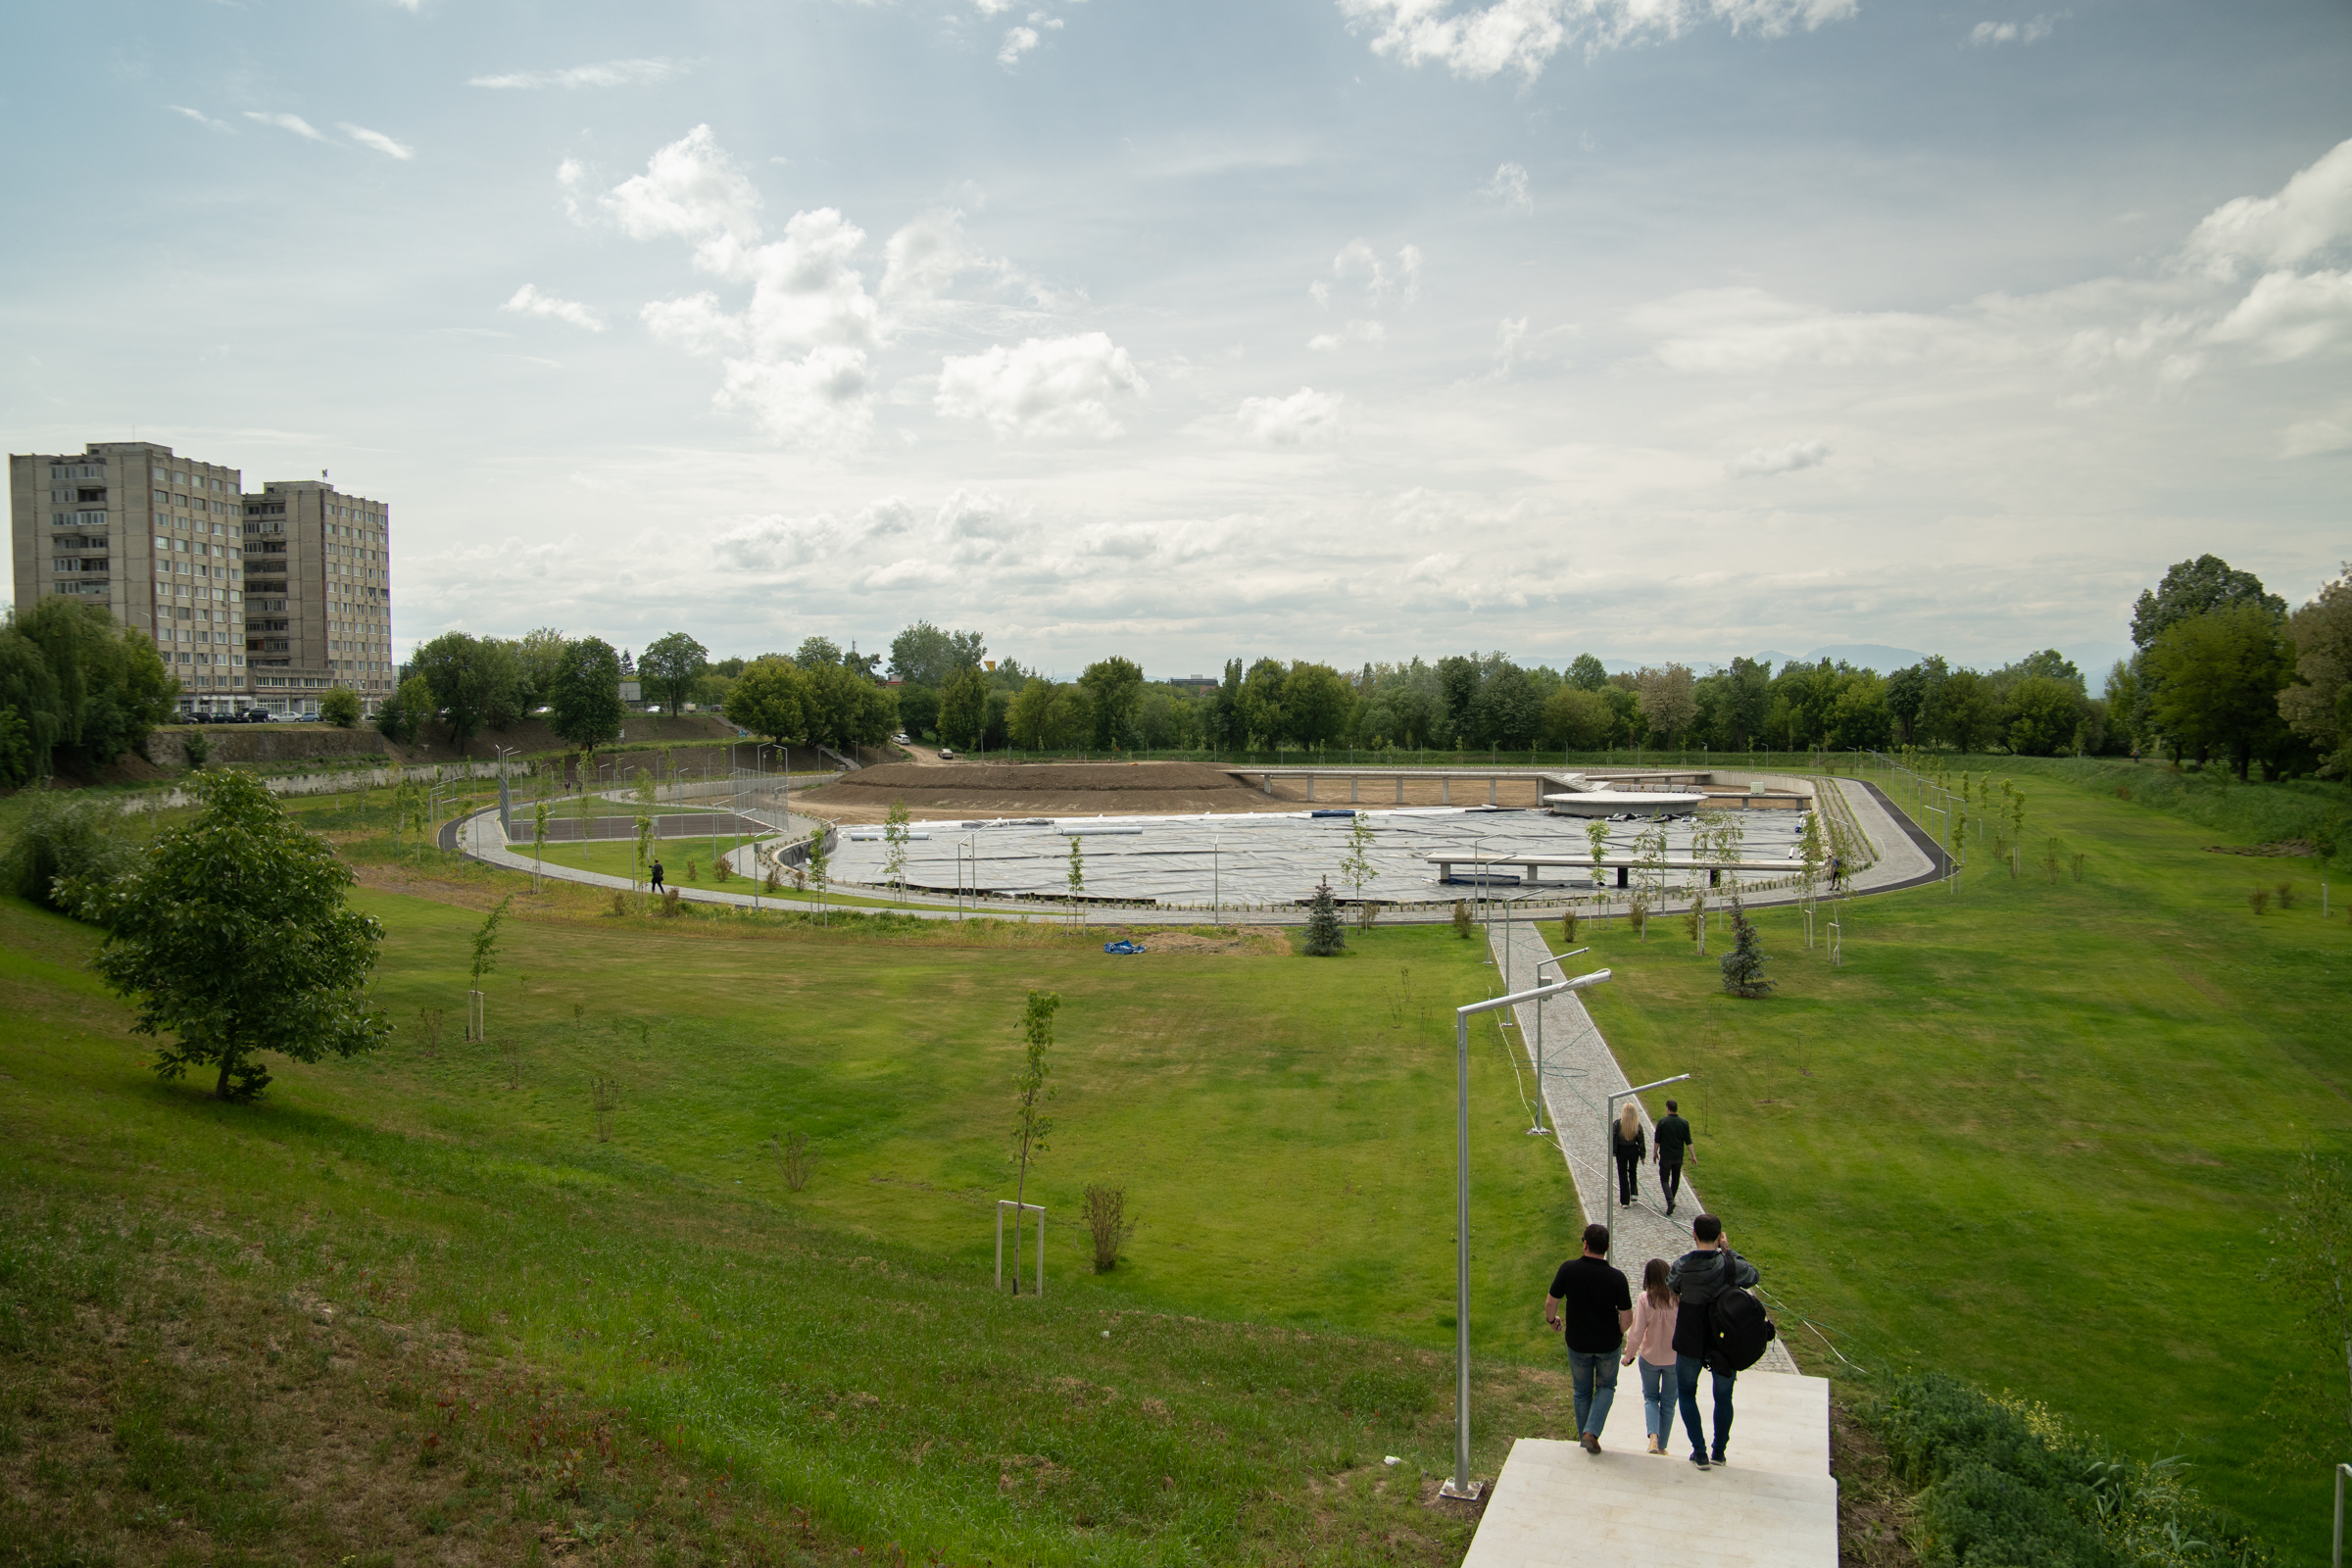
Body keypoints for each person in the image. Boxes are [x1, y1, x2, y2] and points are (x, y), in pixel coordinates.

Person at [1669, 1213, 1758, 1470]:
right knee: (1723, 1396)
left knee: (1686, 1392)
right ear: (1720, 1237)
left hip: (1690, 1336)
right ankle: (1719, 1451)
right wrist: (1729, 1252)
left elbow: (1671, 1285)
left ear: (1694, 1235)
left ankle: (1699, 1451)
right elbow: (1752, 1276)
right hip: (1724, 1339)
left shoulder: (1682, 1264)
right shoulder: (1729, 1264)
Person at [1544, 1222, 1633, 1454]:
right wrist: (1620, 1332)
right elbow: (1627, 1317)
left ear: (1585, 1244)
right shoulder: (1617, 1278)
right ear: (1608, 1247)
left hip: (1578, 1343)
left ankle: (1585, 1434)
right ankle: (1590, 1433)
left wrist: (1552, 1321)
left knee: (1581, 1391)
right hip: (1607, 1345)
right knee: (1606, 1387)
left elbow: (1551, 1302)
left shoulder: (1568, 1269)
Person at [1621, 1258, 1681, 1456]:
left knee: (1651, 1398)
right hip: (1674, 1360)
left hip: (1649, 1358)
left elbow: (1636, 1332)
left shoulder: (1645, 1299)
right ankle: (1662, 1445)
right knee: (1669, 1403)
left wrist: (1628, 1355)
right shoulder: (1679, 1298)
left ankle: (1652, 1439)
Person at [1654, 1100, 1694, 1217]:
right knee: (1675, 1179)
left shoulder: (1662, 1122)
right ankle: (1671, 1200)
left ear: (1667, 1108)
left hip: (1666, 1157)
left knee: (1664, 1179)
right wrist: (1693, 1155)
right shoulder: (1684, 1123)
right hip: (1678, 1157)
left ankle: (1670, 1201)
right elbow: (1688, 1141)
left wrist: (1655, 1152)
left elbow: (1657, 1140)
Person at [1612, 1102, 1646, 1207]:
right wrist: (1642, 1155)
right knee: (1632, 1171)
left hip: (1622, 1150)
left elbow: (1612, 1137)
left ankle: (1625, 1201)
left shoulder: (1618, 1124)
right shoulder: (1637, 1125)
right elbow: (1641, 1140)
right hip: (1633, 1149)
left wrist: (1613, 1150)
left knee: (1622, 1174)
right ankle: (1634, 1193)